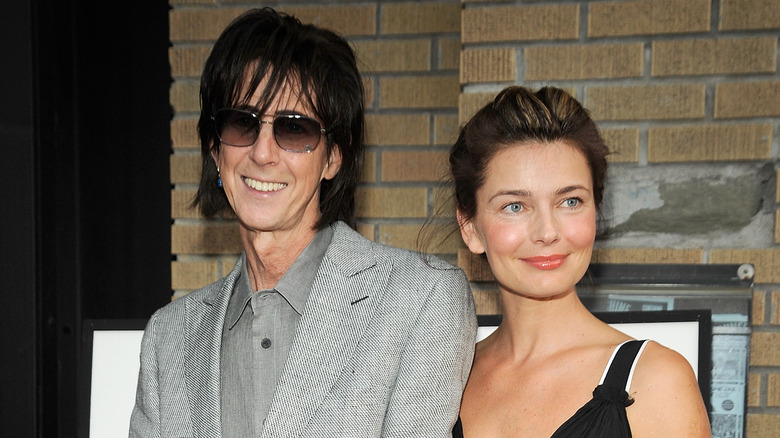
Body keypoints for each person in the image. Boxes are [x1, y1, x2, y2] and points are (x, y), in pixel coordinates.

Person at [130, 7, 476, 438]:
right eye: (242, 123)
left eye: (294, 130)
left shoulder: (421, 300)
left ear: (333, 156)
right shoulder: (169, 338)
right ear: (215, 150)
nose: (263, 152)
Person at [449, 86, 711, 437]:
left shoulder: (657, 380)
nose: (547, 232)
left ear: (595, 212)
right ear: (470, 228)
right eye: (515, 206)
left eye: (570, 201)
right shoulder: (446, 379)